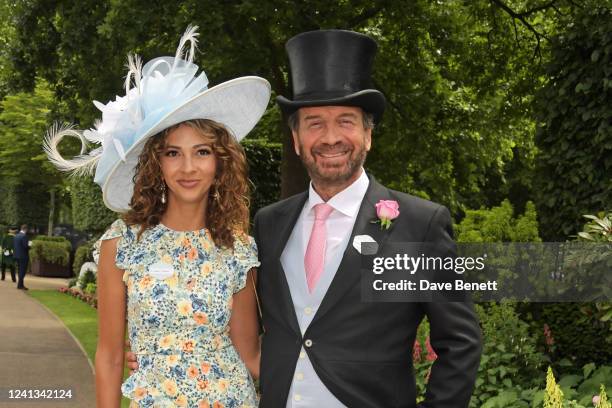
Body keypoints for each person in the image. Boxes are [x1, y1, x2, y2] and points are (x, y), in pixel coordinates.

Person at [252, 30, 482, 407]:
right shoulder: (268, 223)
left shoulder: (420, 224)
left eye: (345, 121)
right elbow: (253, 327)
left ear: (368, 135)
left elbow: (460, 343)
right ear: (295, 140)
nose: (330, 137)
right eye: (314, 123)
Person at [45, 26, 271, 407]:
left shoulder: (238, 248)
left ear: (219, 162)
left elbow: (249, 354)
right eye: (172, 153)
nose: (188, 167)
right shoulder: (122, 243)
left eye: (201, 152)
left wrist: (329, 378)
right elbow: (111, 355)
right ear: (155, 164)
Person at [13, 224, 29, 290]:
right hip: (23, 256)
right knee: (23, 271)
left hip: (16, 256)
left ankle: (21, 285)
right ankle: (19, 285)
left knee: (20, 270)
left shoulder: (16, 236)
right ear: (25, 229)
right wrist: (30, 246)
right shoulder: (24, 236)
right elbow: (26, 246)